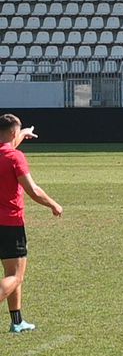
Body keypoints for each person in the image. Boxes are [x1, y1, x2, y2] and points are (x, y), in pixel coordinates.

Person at [0, 114, 64, 333]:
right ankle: (16, 321)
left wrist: (23, 133)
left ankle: (17, 322)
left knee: (11, 274)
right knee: (16, 276)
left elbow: (5, 147)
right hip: (10, 223)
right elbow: (33, 190)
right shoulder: (15, 158)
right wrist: (54, 204)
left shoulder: (6, 152)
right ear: (12, 133)